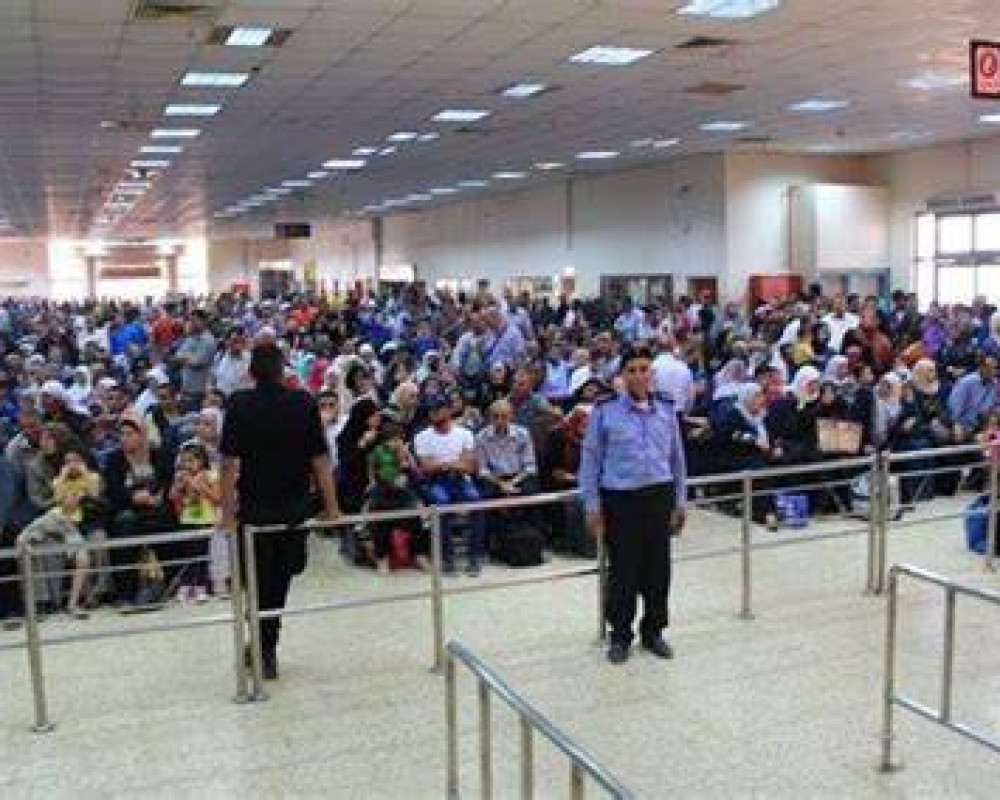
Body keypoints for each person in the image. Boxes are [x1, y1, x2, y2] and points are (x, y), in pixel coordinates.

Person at [220, 342, 340, 681]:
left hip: (255, 509)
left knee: (257, 580)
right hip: (293, 508)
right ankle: (266, 645)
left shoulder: (239, 404)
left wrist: (227, 514)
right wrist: (332, 507)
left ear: (251, 372)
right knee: (279, 580)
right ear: (282, 370)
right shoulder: (303, 403)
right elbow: (320, 460)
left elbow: (228, 464)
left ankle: (263, 644)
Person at [579, 343, 687, 665]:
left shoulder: (666, 408)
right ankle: (620, 634)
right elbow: (591, 460)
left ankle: (653, 630)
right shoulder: (605, 410)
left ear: (652, 373)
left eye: (644, 369)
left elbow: (677, 458)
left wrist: (680, 500)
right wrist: (591, 505)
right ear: (622, 376)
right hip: (621, 498)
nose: (639, 376)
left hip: (658, 494)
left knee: (658, 568)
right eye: (632, 370)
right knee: (623, 570)